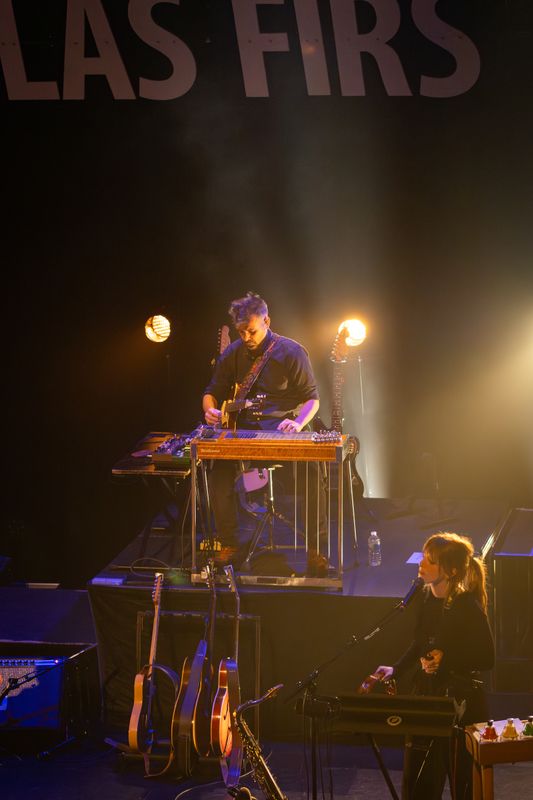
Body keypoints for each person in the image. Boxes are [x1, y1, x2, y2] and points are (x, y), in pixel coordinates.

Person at [202, 291, 328, 574]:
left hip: (283, 430)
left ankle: (316, 549)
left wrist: (298, 423)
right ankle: (229, 543)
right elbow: (212, 391)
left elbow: (312, 398)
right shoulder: (233, 353)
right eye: (241, 332)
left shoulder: (292, 351)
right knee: (217, 470)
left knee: (313, 473)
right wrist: (209, 410)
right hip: (244, 433)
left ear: (267, 321)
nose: (246, 337)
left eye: (252, 331)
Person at [370, 532, 495, 800]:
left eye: (430, 560)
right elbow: (419, 644)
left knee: (464, 783)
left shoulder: (467, 605)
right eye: (423, 557)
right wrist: (397, 669)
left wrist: (446, 660)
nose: (421, 564)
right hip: (428, 697)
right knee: (419, 783)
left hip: (461, 704)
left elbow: (487, 657)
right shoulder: (426, 599)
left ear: (451, 571)